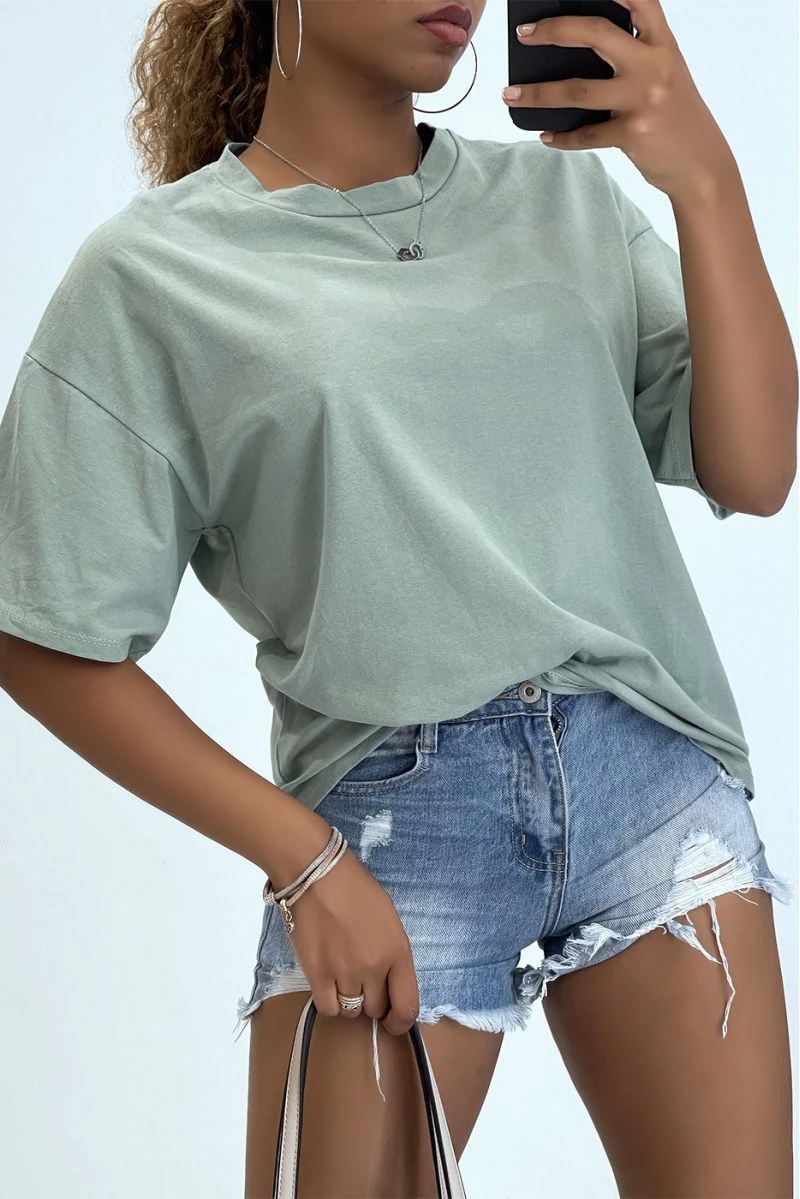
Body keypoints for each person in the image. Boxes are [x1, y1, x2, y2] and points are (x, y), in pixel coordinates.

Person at [0, 0, 796, 1195]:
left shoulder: (562, 197)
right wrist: (302, 859)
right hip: (390, 829)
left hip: (652, 786)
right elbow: (43, 636)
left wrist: (706, 182)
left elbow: (754, 468)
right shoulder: (155, 272)